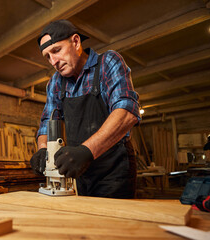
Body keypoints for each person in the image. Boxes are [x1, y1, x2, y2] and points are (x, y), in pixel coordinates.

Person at [30, 20, 141, 198]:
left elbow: (127, 111)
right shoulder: (55, 83)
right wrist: (43, 150)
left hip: (113, 170)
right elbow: (47, 123)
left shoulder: (108, 62)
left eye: (56, 50)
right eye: (48, 56)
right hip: (80, 169)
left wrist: (87, 151)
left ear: (76, 42)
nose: (53, 61)